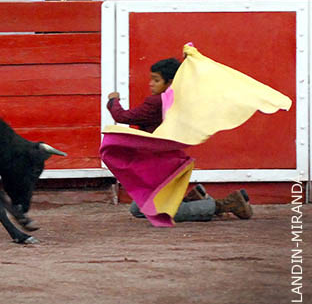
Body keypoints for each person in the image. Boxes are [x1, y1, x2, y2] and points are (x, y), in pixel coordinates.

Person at [107, 57, 253, 222]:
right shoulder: (180, 99)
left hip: (161, 165)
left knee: (148, 210)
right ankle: (194, 199)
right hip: (169, 161)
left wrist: (113, 100)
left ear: (169, 82)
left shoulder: (156, 103)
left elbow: (122, 116)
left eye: (156, 80)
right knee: (143, 207)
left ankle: (225, 204)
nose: (151, 84)